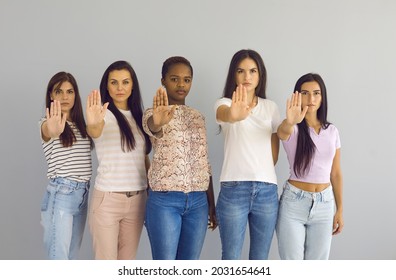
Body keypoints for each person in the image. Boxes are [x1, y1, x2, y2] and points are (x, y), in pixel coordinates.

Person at [143, 56, 217, 260]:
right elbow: (152, 127)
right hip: (165, 200)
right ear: (163, 81)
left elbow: (205, 161)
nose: (181, 84)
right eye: (174, 79)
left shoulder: (198, 117)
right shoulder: (152, 113)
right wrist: (157, 121)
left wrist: (211, 204)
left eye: (187, 79)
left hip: (198, 202)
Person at [215, 49, 280, 260]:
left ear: (260, 75)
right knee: (231, 258)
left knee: (260, 260)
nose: (247, 77)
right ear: (233, 75)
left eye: (252, 71)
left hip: (266, 191)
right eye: (241, 71)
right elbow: (226, 115)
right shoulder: (224, 103)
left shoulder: (270, 108)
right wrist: (235, 114)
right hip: (234, 190)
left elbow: (274, 151)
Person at [86, 60, 151, 260]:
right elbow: (95, 131)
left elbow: (143, 159)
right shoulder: (102, 115)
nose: (120, 88)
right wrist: (93, 123)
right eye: (114, 82)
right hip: (108, 199)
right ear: (107, 86)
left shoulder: (140, 117)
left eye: (125, 82)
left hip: (138, 200)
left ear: (133, 85)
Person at [276, 73, 344, 260]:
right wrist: (290, 121)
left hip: (325, 204)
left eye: (316, 93)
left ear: (323, 97)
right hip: (294, 203)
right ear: (297, 96)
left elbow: (336, 173)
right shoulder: (292, 127)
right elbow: (281, 133)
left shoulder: (332, 131)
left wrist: (340, 209)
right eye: (305, 93)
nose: (311, 98)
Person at [39, 71, 93, 260]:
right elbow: (49, 131)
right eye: (59, 91)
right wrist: (53, 129)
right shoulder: (46, 123)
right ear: (51, 95)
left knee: (71, 256)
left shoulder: (82, 125)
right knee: (59, 258)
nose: (64, 97)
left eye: (70, 92)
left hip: (83, 193)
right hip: (62, 192)